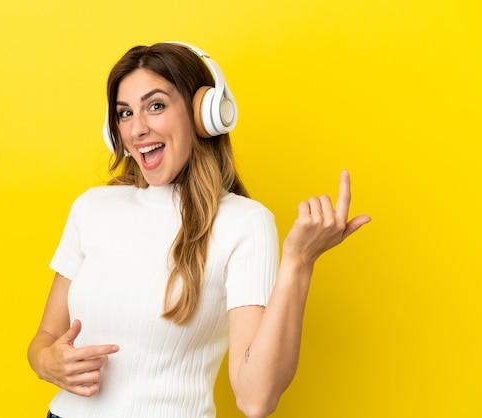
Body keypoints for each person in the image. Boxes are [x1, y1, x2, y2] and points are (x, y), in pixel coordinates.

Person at [27, 41, 370, 418]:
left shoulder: (244, 223)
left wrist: (299, 262)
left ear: (203, 113)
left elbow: (256, 400)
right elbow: (45, 338)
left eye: (155, 106)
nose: (137, 128)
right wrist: (46, 363)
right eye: (125, 113)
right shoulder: (91, 208)